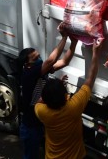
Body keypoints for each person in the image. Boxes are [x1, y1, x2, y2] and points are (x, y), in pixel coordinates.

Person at [34, 38, 103, 159]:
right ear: (64, 95)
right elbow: (90, 79)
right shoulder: (73, 107)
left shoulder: (41, 111)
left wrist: (57, 89)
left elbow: (41, 100)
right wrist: (96, 53)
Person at [17, 23, 78, 159]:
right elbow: (51, 60)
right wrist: (64, 38)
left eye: (39, 56)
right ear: (27, 65)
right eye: (35, 58)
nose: (39, 59)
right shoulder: (29, 74)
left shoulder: (38, 71)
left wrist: (73, 43)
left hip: (40, 121)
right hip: (31, 126)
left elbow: (64, 62)